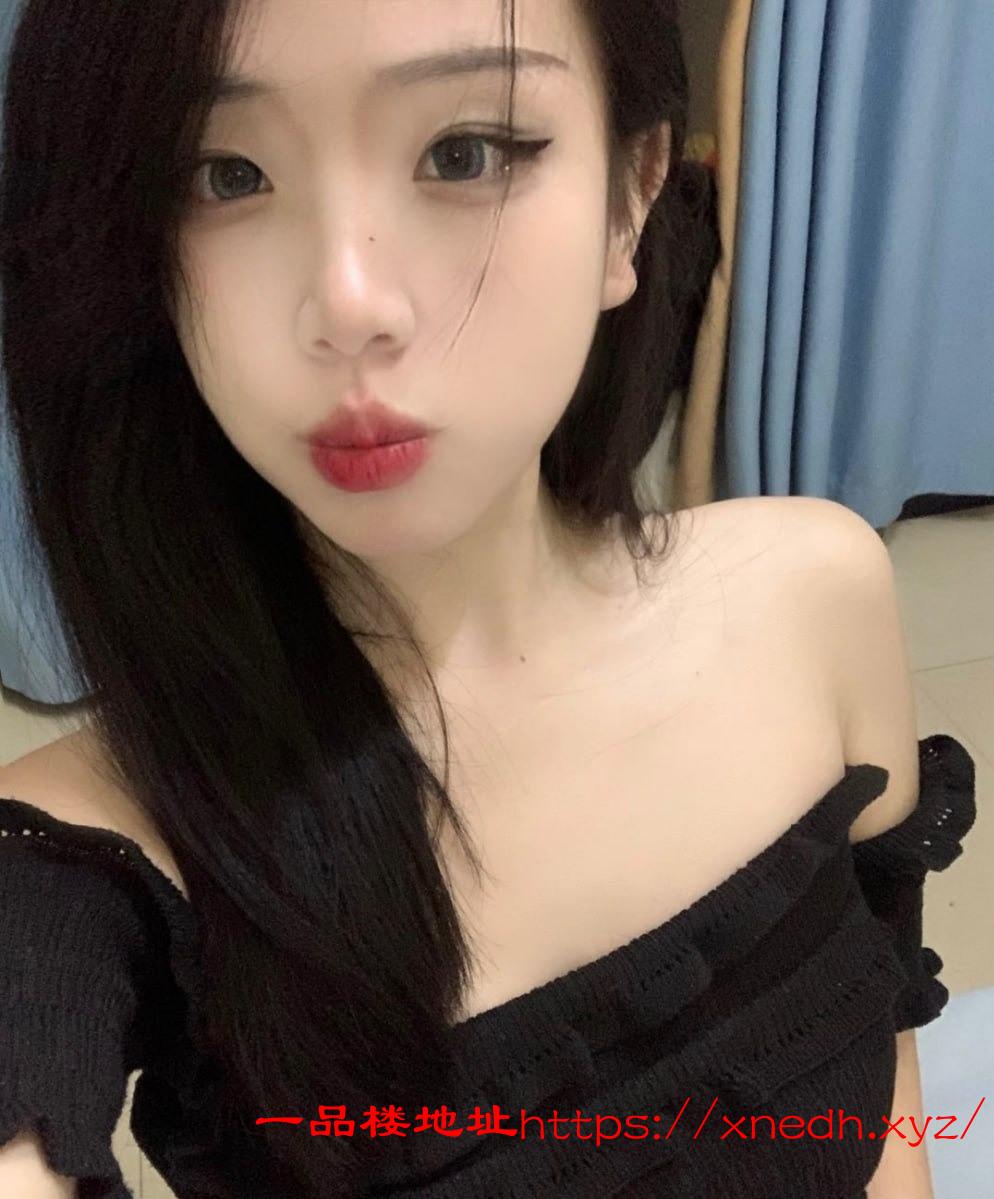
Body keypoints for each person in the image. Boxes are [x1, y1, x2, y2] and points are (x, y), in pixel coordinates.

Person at [0, 1, 976, 1196]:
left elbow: (886, 1058)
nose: (350, 303)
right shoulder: (89, 855)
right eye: (226, 174)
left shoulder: (814, 593)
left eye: (463, 152)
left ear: (630, 194)